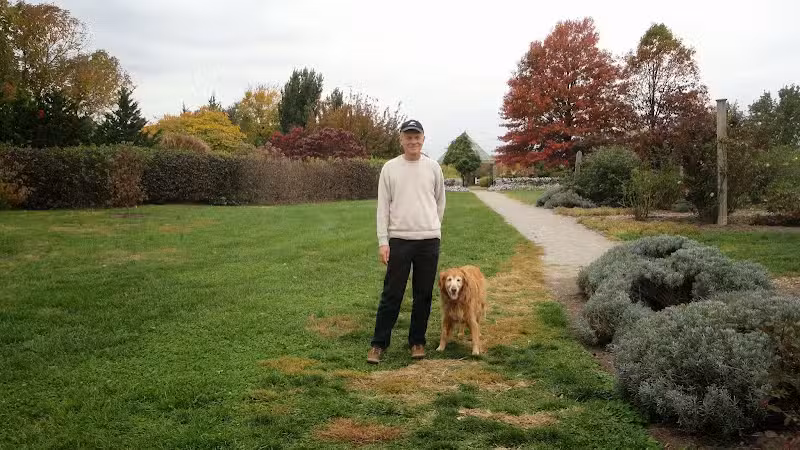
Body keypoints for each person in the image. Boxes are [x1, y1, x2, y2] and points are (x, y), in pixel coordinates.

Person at [367, 119, 446, 364]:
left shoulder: (433, 168)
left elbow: (439, 201)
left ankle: (417, 341)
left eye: (417, 137)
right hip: (399, 240)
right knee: (392, 293)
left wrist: (432, 226)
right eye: (408, 137)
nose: (413, 141)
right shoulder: (390, 168)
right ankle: (379, 344)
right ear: (401, 140)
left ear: (423, 139)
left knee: (423, 294)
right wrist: (383, 241)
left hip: (428, 240)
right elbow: (383, 208)